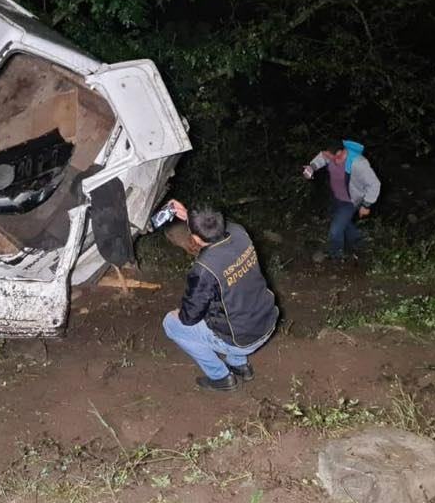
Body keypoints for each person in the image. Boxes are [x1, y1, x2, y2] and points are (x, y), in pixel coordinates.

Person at [161, 200, 278, 392]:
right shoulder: (239, 233)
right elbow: (219, 225)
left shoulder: (204, 268)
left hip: (243, 339)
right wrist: (191, 216)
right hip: (267, 319)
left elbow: (189, 318)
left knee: (171, 323)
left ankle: (221, 377)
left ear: (195, 238)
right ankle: (239, 365)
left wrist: (179, 314)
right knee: (235, 299)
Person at [302, 139, 381, 260]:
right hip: (336, 196)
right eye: (332, 158)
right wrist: (312, 167)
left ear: (343, 152)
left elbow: (375, 184)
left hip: (351, 200)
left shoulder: (359, 164)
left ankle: (336, 255)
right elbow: (322, 157)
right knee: (342, 220)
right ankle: (357, 241)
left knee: (335, 229)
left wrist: (366, 205)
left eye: (339, 157)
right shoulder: (331, 155)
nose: (335, 161)